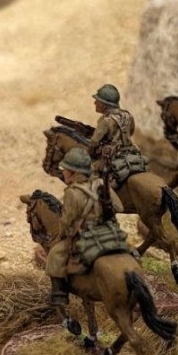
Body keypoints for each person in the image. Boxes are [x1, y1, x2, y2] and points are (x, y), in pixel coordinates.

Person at [45, 148, 124, 308]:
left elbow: (66, 221)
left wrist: (61, 235)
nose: (63, 172)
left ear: (73, 173)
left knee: (54, 255)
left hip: (84, 234)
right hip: (106, 229)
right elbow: (119, 207)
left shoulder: (72, 193)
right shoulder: (101, 184)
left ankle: (59, 294)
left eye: (65, 169)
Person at [88, 84, 141, 177]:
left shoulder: (106, 120)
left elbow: (94, 142)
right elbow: (131, 131)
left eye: (98, 101)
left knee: (89, 170)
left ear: (104, 105)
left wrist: (90, 154)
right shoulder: (128, 115)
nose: (95, 103)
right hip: (130, 152)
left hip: (112, 157)